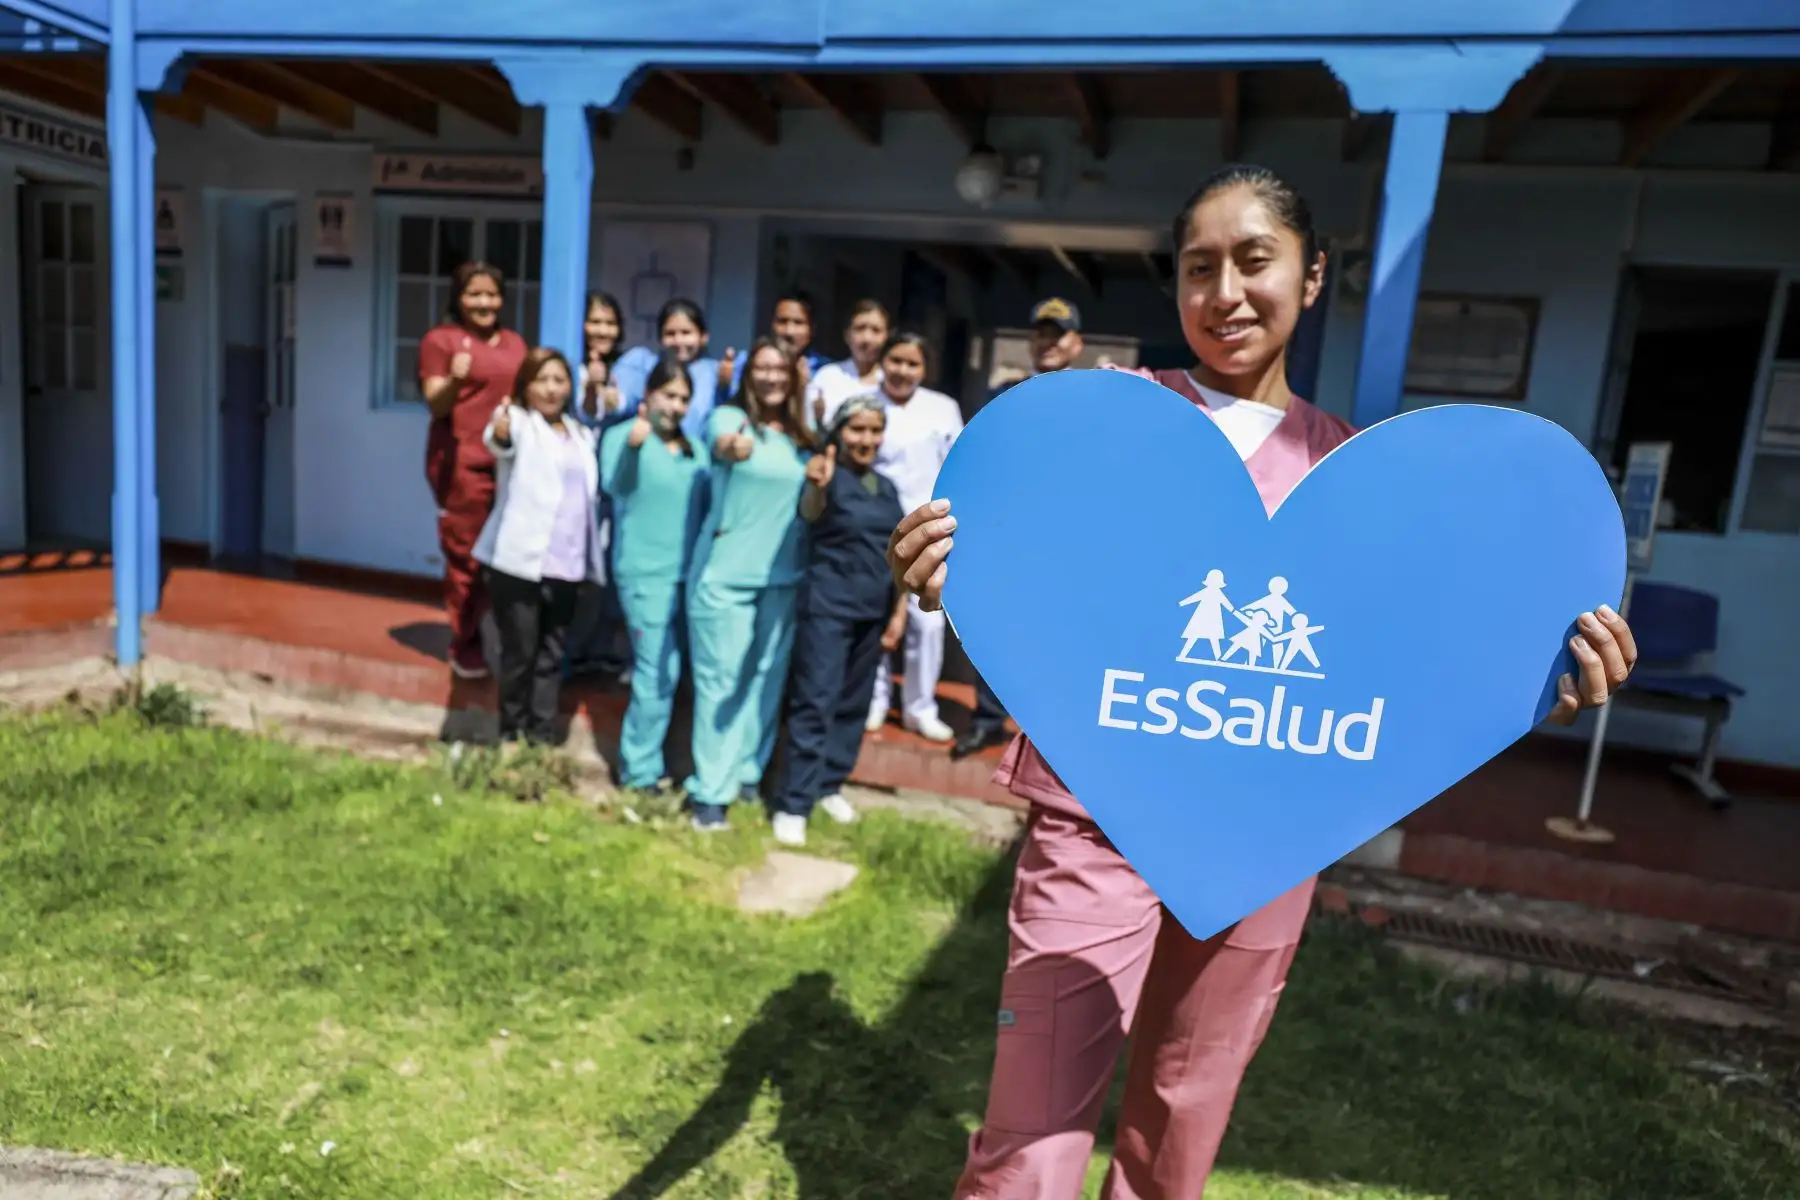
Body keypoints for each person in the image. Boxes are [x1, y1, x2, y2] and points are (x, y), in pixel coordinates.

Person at [884, 163, 1641, 1199]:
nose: (1225, 294)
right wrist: (948, 575)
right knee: (1031, 1135)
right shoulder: (1102, 424)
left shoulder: (1355, 476)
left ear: (1312, 275)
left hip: (1267, 828)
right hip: (1094, 813)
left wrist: (1544, 672)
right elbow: (1031, 570)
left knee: (1181, 1125)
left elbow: (1415, 649)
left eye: (1254, 261)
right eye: (1199, 268)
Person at [685, 338, 816, 832]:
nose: (771, 377)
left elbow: (812, 502)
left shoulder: (804, 436)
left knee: (765, 680)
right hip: (725, 576)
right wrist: (730, 448)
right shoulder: (730, 419)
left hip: (783, 576)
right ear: (747, 375)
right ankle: (709, 794)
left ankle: (745, 774)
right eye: (762, 368)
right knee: (721, 683)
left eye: (780, 369)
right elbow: (721, 444)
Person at [772, 395, 909, 847]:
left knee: (853, 704)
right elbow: (809, 511)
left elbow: (898, 555)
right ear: (839, 432)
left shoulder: (886, 487)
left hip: (873, 612)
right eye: (857, 429)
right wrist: (816, 485)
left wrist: (898, 613)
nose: (866, 439)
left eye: (874, 430)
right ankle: (793, 803)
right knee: (815, 701)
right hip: (828, 609)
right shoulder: (826, 476)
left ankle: (828, 785)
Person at [954, 298, 1086, 759]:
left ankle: (1047, 731)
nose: (1048, 342)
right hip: (1010, 532)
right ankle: (988, 720)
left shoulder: (1092, 400)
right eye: (1041, 333)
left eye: (1058, 334)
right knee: (997, 629)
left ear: (1077, 344)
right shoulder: (1004, 395)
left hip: (1067, 536)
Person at [473, 347, 604, 745]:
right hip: (520, 565)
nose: (550, 389)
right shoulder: (520, 422)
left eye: (558, 380)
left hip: (567, 565)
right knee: (520, 655)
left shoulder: (580, 434)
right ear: (526, 387)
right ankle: (512, 737)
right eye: (541, 380)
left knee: (551, 656)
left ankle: (542, 738)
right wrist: (500, 430)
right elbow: (500, 439)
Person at [599, 350, 710, 794]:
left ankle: (662, 763)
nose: (676, 406)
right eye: (669, 395)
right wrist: (632, 446)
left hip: (688, 578)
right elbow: (615, 486)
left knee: (676, 671)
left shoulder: (696, 450)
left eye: (684, 399)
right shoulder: (624, 435)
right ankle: (639, 772)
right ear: (648, 394)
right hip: (644, 574)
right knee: (655, 671)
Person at [418, 260, 530, 680]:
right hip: (464, 465)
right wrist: (454, 380)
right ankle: (465, 644)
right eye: (475, 294)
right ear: (459, 298)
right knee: (466, 557)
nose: (485, 303)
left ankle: (504, 637)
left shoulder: (515, 343)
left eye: (492, 294)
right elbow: (436, 404)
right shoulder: (441, 341)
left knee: (508, 556)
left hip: (510, 463)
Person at [864, 332, 965, 743]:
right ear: (882, 362)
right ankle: (874, 699)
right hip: (874, 528)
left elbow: (959, 464)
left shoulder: (943, 408)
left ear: (925, 369)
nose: (902, 371)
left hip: (929, 531)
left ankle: (919, 707)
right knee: (875, 616)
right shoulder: (866, 402)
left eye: (912, 364)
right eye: (896, 361)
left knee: (927, 623)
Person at [610, 299, 723, 442]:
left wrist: (725, 384)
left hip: (693, 453)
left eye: (686, 333)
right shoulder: (642, 363)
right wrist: (611, 400)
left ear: (703, 337)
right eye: (670, 333)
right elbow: (622, 401)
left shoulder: (716, 372)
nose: (678, 341)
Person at [719, 291, 831, 399]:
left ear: (812, 329)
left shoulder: (826, 370)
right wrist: (724, 386)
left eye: (798, 323)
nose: (789, 331)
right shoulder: (746, 361)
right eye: (782, 321)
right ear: (772, 324)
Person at [804, 299, 891, 432]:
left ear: (886, 336)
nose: (867, 338)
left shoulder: (892, 382)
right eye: (859, 329)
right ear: (847, 335)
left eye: (876, 330)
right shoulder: (827, 377)